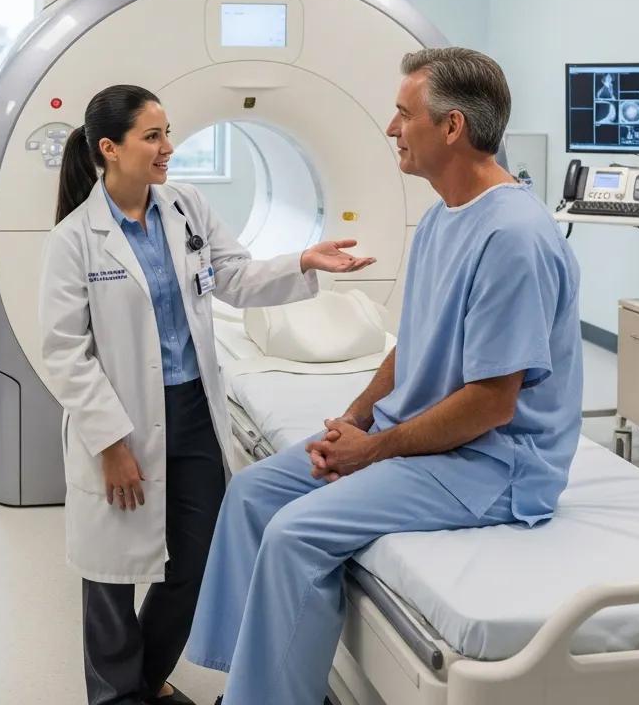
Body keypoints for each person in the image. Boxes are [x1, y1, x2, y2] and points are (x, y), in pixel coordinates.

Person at [186, 47, 583, 705]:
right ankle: (252, 681)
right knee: (254, 492)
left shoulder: (513, 236)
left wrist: (372, 452)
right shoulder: (439, 218)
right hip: (425, 438)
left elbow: (491, 405)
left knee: (295, 532)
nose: (391, 128)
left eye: (404, 114)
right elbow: (413, 346)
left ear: (451, 127)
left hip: (495, 465)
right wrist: (356, 418)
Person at [38, 84, 376, 705]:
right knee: (111, 576)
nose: (168, 147)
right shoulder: (74, 240)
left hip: (194, 410)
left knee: (195, 561)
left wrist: (304, 259)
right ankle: (116, 697)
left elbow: (237, 278)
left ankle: (142, 684)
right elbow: (63, 351)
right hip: (120, 421)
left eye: (168, 132)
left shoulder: (186, 207)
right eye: (152, 136)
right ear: (109, 150)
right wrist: (111, 442)